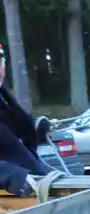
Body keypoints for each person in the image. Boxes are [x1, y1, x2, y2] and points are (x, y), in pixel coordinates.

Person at [0, 44, 54, 196]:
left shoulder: (5, 99)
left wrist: (36, 128)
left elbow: (18, 140)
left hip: (36, 187)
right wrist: (10, 176)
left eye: (0, 61)